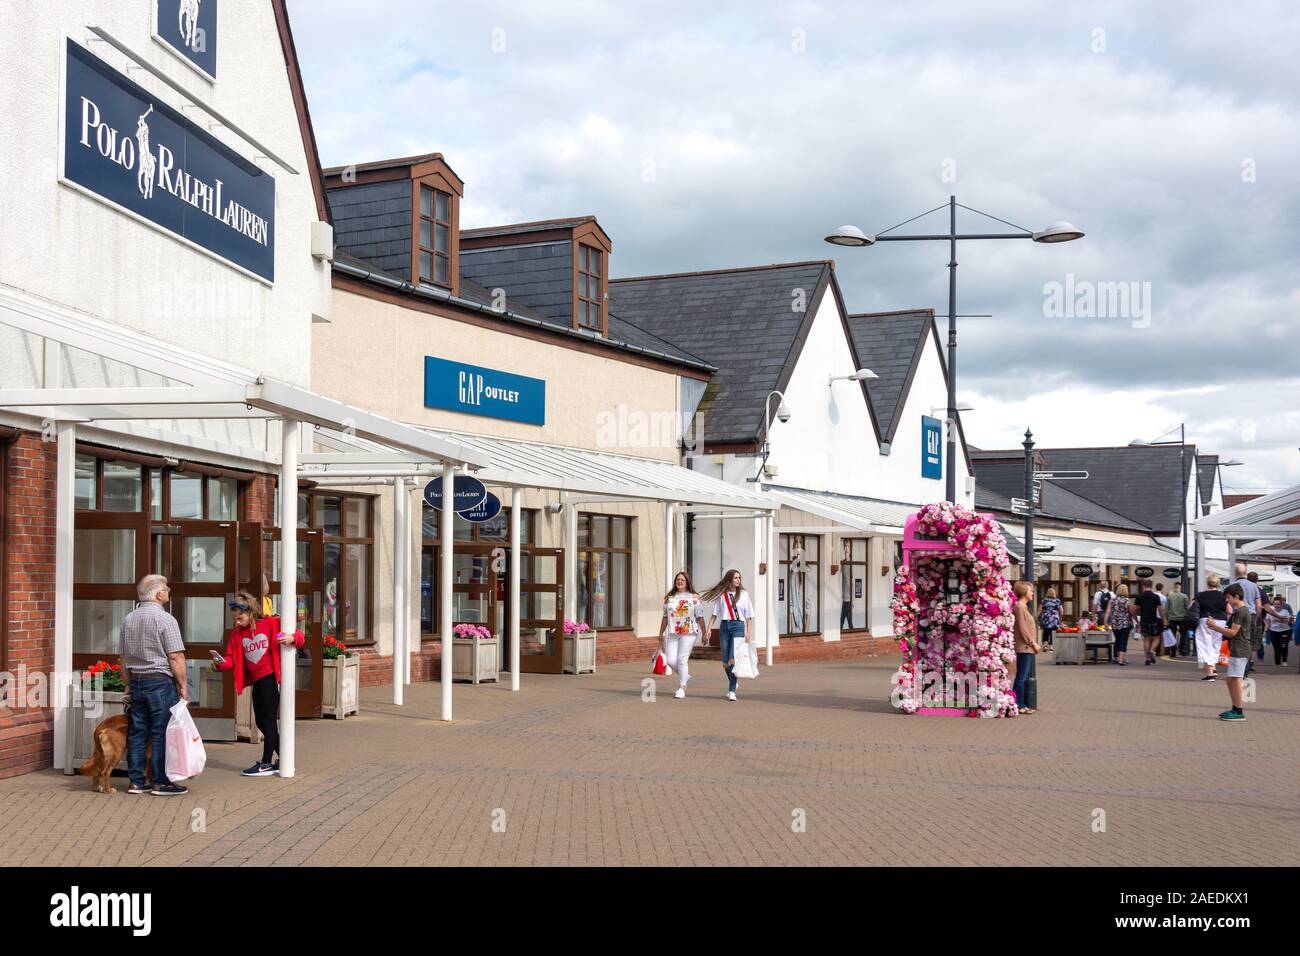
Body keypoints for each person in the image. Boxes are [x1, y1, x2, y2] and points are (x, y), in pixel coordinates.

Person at [211, 589, 304, 776]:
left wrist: (292, 638)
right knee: (261, 722)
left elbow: (300, 636)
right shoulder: (237, 634)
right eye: (235, 619)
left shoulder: (269, 623)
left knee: (269, 721)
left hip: (269, 678)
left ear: (251, 612)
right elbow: (231, 659)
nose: (237, 622)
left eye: (240, 618)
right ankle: (285, 759)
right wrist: (220, 664)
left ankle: (266, 763)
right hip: (256, 681)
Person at [120, 574, 190, 796]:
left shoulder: (128, 619)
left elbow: (122, 657)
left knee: (138, 732)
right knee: (161, 732)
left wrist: (128, 685)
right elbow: (176, 656)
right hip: (159, 682)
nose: (169, 592)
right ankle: (161, 782)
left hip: (138, 681)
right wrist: (183, 685)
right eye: (167, 589)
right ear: (159, 594)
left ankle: (136, 782)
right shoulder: (166, 620)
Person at [703, 569, 755, 701]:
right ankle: (734, 681)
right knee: (725, 662)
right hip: (725, 627)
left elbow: (749, 617)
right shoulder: (722, 595)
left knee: (733, 659)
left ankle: (732, 691)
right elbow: (715, 614)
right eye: (735, 578)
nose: (738, 580)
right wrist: (708, 629)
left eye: (739, 578)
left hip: (738, 626)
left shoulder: (744, 594)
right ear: (729, 579)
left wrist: (748, 633)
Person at [1205, 584, 1252, 720]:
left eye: (1229, 598)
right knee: (1230, 680)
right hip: (1239, 649)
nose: (1227, 601)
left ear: (1236, 596)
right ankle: (1235, 708)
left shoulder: (1240, 612)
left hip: (1240, 649)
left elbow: (1232, 633)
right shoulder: (1243, 611)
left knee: (1236, 679)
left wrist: (1214, 627)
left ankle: (1238, 710)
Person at [657, 571, 706, 699]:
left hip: (689, 632)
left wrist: (705, 633)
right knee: (670, 660)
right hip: (673, 632)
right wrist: (660, 633)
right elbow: (665, 617)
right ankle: (685, 675)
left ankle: (681, 687)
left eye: (682, 580)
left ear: (687, 582)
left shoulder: (694, 597)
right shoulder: (670, 598)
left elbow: (700, 617)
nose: (679, 582)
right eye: (678, 580)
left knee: (681, 660)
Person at [1012, 581, 1041, 714]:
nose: (1032, 593)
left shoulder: (1023, 607)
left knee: (1022, 675)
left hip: (1027, 647)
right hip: (1024, 647)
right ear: (1024, 592)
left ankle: (1019, 703)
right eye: (1030, 591)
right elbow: (1023, 628)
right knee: (1022, 676)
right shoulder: (1020, 607)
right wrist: (1032, 642)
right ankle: (1019, 704)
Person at [1194, 573, 1229, 681]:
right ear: (1218, 584)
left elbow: (1193, 608)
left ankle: (1210, 673)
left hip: (1206, 619)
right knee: (1215, 645)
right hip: (1221, 621)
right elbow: (1230, 610)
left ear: (1207, 583)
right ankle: (1213, 668)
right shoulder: (1223, 596)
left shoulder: (1200, 595)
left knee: (1204, 644)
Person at [1134, 580, 1164, 665]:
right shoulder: (1155, 597)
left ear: (1143, 586)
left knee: (1146, 639)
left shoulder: (1140, 597)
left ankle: (1147, 659)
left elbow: (1134, 609)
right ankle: (1152, 650)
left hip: (1144, 620)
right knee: (1156, 638)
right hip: (1153, 620)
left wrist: (1135, 618)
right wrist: (1164, 619)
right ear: (1152, 586)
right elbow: (1160, 609)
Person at [1103, 584, 1134, 665]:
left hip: (1115, 623)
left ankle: (1119, 658)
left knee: (1118, 640)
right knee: (1123, 641)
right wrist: (1136, 621)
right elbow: (1132, 612)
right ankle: (1121, 660)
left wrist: (1105, 622)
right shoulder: (1128, 601)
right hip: (1125, 624)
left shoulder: (1112, 600)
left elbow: (1108, 612)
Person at [1263, 593, 1293, 666]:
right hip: (1273, 631)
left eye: (1278, 604)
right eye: (1275, 604)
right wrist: (1265, 630)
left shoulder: (1285, 611)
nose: (1277, 605)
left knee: (1283, 645)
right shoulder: (1270, 612)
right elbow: (1267, 622)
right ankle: (1277, 663)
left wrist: (1286, 620)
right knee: (1276, 648)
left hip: (1285, 630)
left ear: (1281, 605)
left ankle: (1284, 661)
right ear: (1273, 604)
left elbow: (1289, 620)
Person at [1165, 580, 1191, 659]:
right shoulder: (1184, 596)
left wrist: (1167, 617)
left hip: (1172, 618)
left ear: (1174, 587)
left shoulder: (1170, 596)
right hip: (1182, 618)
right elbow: (1187, 608)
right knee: (1183, 634)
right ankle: (1181, 648)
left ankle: (1172, 652)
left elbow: (1166, 608)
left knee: (1172, 634)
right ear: (1180, 587)